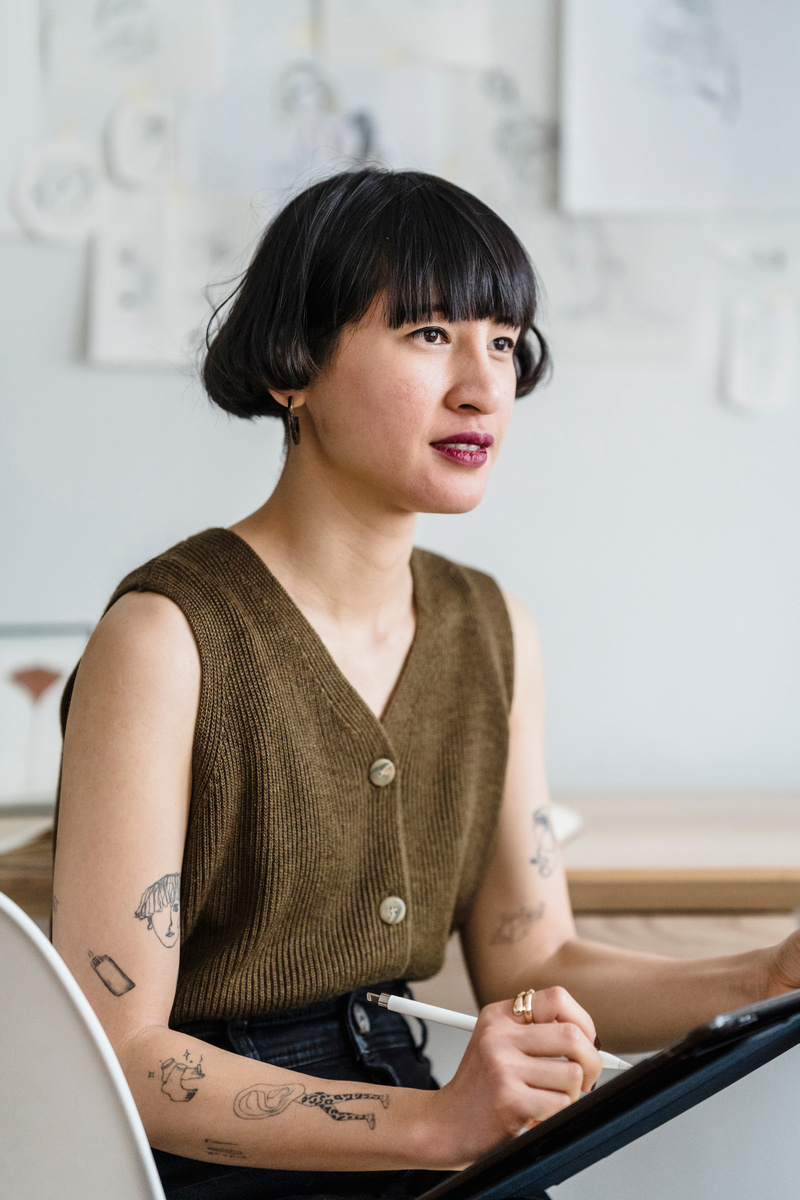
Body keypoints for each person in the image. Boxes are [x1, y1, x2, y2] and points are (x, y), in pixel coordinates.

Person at [52, 168, 800, 1200]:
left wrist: (765, 978)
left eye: (502, 341)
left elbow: (532, 963)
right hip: (206, 1161)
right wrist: (435, 1123)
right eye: (429, 334)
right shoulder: (165, 637)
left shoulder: (493, 629)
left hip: (416, 1133)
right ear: (292, 365)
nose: (482, 386)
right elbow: (119, 1052)